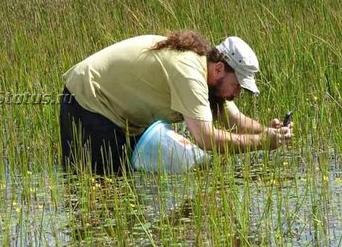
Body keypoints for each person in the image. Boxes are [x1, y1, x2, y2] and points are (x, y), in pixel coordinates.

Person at [59, 31, 292, 174]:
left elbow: (233, 119)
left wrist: (270, 132)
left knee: (124, 186)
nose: (238, 93)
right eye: (238, 84)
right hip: (88, 100)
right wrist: (261, 142)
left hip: (115, 112)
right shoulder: (189, 72)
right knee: (101, 187)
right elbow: (205, 138)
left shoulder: (209, 77)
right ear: (220, 68)